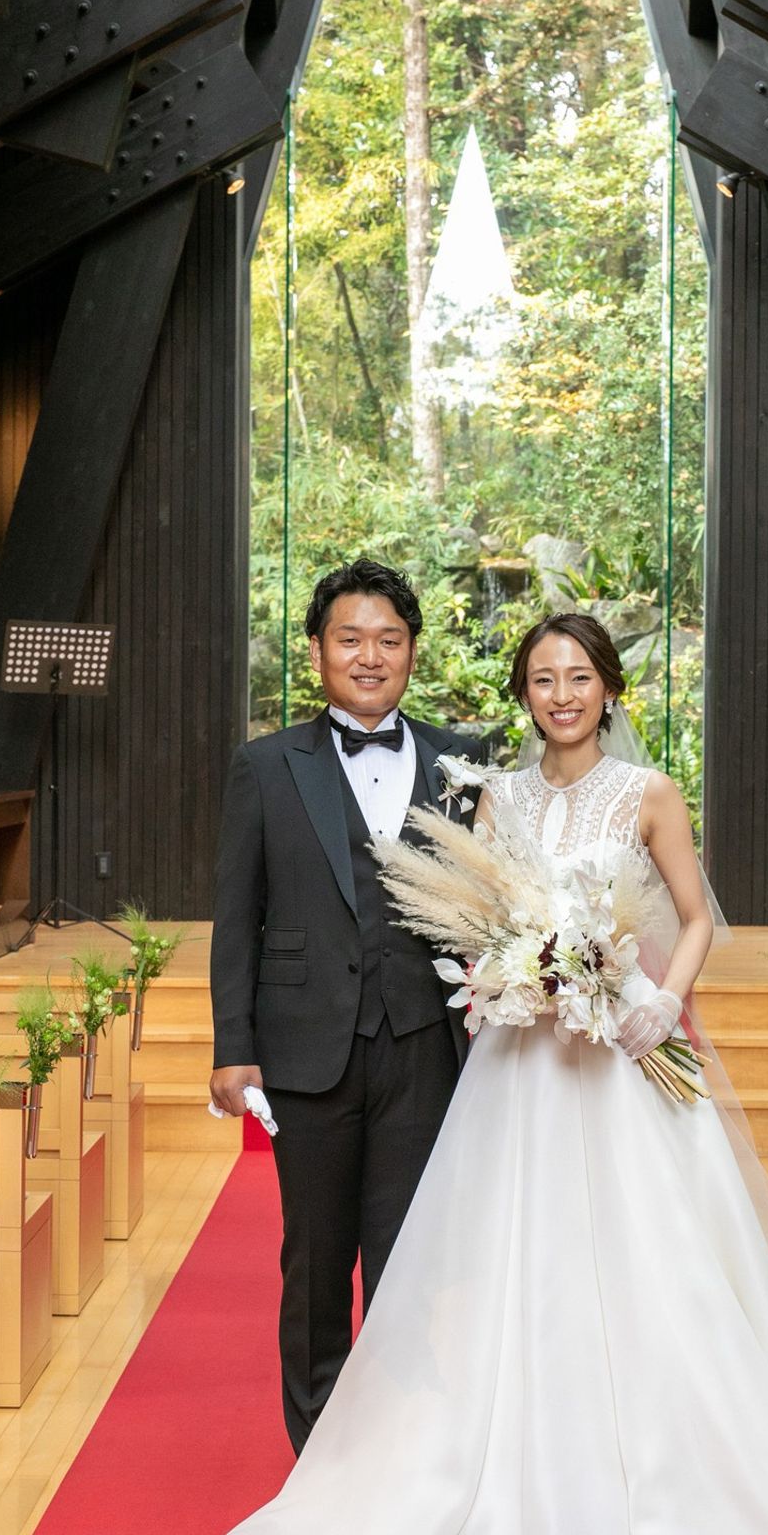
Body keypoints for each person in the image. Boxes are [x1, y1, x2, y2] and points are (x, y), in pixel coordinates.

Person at [222, 611, 768, 1535]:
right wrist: (507, 978)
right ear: (523, 695)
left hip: (621, 1057)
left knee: (648, 1260)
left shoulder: (648, 792)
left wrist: (661, 997)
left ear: (607, 687)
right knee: (514, 1263)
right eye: (542, 679)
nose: (562, 695)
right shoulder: (498, 796)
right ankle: (482, 1465)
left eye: (578, 676)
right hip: (524, 1065)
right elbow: (479, 921)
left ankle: (675, 1468)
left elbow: (695, 916)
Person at [208, 559, 481, 1454]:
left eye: (389, 639)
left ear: (412, 651)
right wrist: (233, 1044)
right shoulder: (264, 765)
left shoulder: (460, 764)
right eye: (350, 638)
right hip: (306, 1046)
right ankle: (320, 1455)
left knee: (410, 1259)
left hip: (425, 1044)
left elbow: (489, 903)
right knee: (316, 1259)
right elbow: (238, 917)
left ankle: (401, 1450)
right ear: (318, 650)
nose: (370, 656)